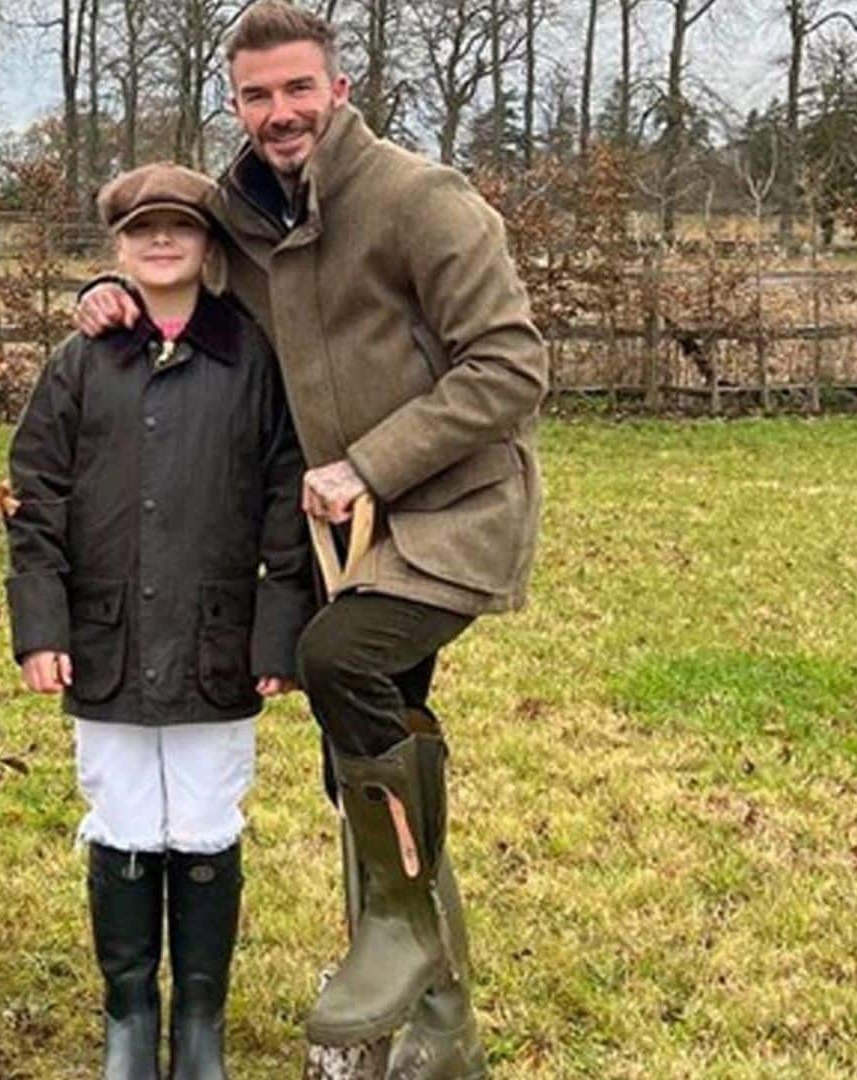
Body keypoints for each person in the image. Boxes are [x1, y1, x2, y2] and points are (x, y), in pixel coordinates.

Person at [75, 4, 548, 1075]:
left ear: (337, 88)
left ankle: (405, 967)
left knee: (340, 662)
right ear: (234, 105)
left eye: (297, 89)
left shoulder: (422, 202)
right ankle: (430, 1032)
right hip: (350, 536)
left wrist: (371, 462)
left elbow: (512, 368)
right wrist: (106, 292)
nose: (278, 113)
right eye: (256, 96)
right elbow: (174, 269)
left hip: (453, 513)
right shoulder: (245, 216)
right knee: (369, 757)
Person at [5, 162, 315, 1080]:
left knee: (207, 815)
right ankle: (131, 1015)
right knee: (126, 813)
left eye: (181, 227)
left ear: (209, 244)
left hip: (220, 633)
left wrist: (278, 626)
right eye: (143, 230)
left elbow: (286, 493)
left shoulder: (253, 357)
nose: (163, 242)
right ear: (118, 248)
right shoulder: (80, 362)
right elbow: (36, 498)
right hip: (106, 635)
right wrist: (42, 625)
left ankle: (202, 1023)